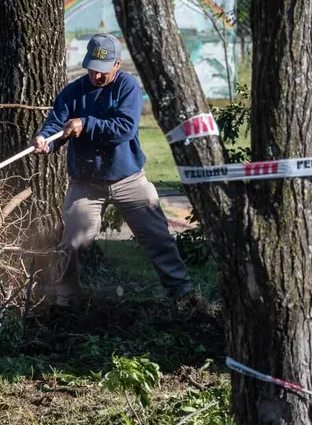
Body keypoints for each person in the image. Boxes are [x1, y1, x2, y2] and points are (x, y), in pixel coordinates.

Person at [34, 33, 197, 307]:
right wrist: (45, 139)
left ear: (117, 65)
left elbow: (124, 128)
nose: (96, 76)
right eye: (92, 69)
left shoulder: (128, 87)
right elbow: (56, 125)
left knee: (159, 238)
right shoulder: (73, 92)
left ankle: (184, 295)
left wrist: (85, 124)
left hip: (130, 180)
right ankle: (64, 302)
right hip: (86, 186)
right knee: (72, 244)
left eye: (103, 70)